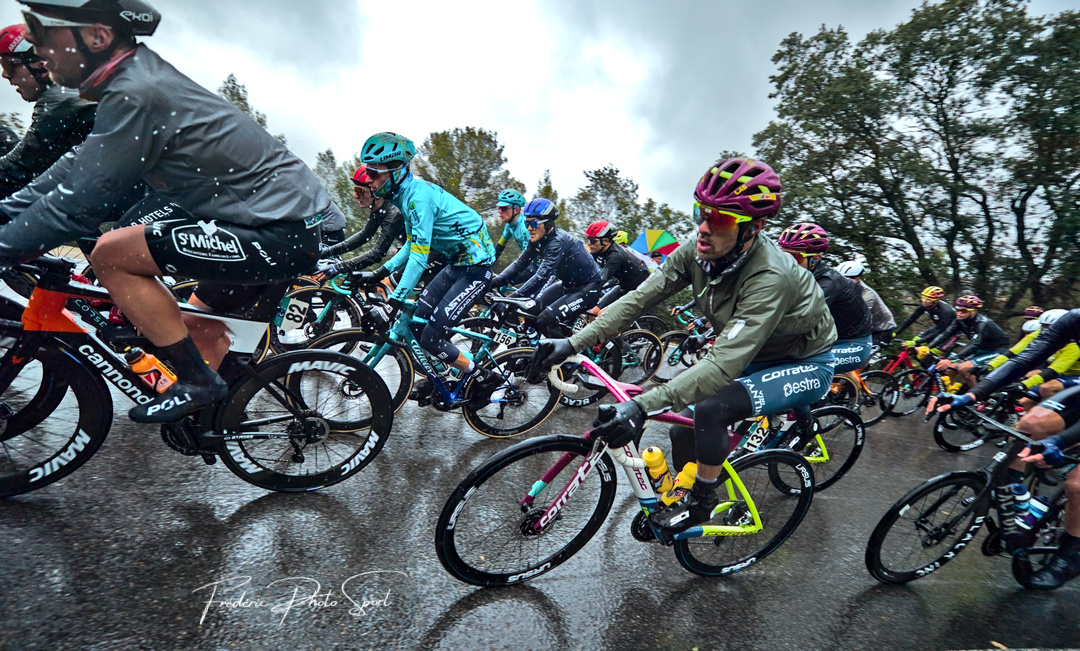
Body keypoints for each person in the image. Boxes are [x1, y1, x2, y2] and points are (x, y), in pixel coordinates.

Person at [0, 0, 346, 424]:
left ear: (98, 37)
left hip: (279, 231)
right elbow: (69, 173)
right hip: (256, 222)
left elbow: (76, 206)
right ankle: (210, 418)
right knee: (195, 324)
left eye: (41, 31)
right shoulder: (128, 84)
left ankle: (199, 383)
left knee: (112, 253)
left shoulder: (137, 91)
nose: (35, 45)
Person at [530, 157, 836, 534]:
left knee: (711, 409)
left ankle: (702, 502)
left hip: (804, 361)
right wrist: (573, 342)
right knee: (681, 430)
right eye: (701, 213)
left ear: (753, 228)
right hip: (756, 351)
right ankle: (683, 491)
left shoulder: (771, 276)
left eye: (720, 220)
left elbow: (722, 365)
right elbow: (638, 300)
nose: (703, 230)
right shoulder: (697, 247)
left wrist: (640, 407)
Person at [355, 132, 500, 406]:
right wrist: (380, 273)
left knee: (431, 337)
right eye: (367, 172)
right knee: (419, 324)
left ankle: (483, 376)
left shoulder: (418, 197)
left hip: (476, 270)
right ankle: (442, 376)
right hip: (455, 264)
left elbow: (420, 259)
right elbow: (411, 245)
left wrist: (394, 301)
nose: (369, 180)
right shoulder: (404, 196)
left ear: (397, 171)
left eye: (374, 173)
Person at [939, 309, 1080, 588]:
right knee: (1031, 422)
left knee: (1077, 486)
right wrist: (973, 394)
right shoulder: (1073, 319)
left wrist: (1061, 441)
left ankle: (1071, 555)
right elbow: (1025, 357)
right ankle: (1015, 489)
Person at [0, 23, 95, 199]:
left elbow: (18, 165)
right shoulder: (72, 89)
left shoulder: (60, 101)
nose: (5, 75)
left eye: (8, 65)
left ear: (42, 66)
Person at [491, 198, 603, 337]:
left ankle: (569, 355)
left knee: (544, 321)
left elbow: (542, 276)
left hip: (588, 288)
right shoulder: (538, 238)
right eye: (527, 223)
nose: (529, 228)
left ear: (548, 224)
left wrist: (515, 296)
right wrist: (495, 282)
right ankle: (530, 351)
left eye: (533, 223)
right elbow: (520, 263)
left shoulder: (557, 242)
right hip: (568, 285)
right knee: (530, 313)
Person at [777, 224, 874, 375]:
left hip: (854, 344)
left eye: (795, 257)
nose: (788, 263)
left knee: (795, 368)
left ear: (815, 259)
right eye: (783, 256)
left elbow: (795, 319)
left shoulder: (827, 284)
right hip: (828, 339)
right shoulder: (800, 274)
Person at [315, 165, 404, 280]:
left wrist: (340, 267)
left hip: (429, 254)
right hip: (418, 253)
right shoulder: (379, 210)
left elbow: (377, 253)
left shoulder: (393, 213)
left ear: (375, 192)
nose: (355, 196)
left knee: (385, 285)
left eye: (360, 191)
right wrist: (325, 252)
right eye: (355, 190)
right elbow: (364, 236)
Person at [927, 295, 1010, 389]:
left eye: (963, 311)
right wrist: (929, 347)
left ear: (974, 311)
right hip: (981, 348)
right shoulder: (960, 320)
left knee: (963, 368)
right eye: (957, 310)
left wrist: (952, 359)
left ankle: (977, 397)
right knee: (950, 369)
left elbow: (974, 345)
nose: (959, 313)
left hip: (997, 350)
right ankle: (952, 391)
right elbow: (946, 334)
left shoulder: (983, 323)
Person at [585, 219, 650, 311]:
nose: (589, 243)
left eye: (592, 240)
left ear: (606, 241)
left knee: (601, 314)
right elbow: (584, 265)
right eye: (587, 239)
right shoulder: (597, 248)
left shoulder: (615, 256)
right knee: (594, 312)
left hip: (639, 289)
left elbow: (602, 279)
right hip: (624, 286)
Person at [837, 260, 895, 347]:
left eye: (845, 278)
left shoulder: (867, 294)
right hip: (867, 331)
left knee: (862, 358)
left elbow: (856, 317)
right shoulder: (845, 288)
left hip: (881, 331)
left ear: (857, 279)